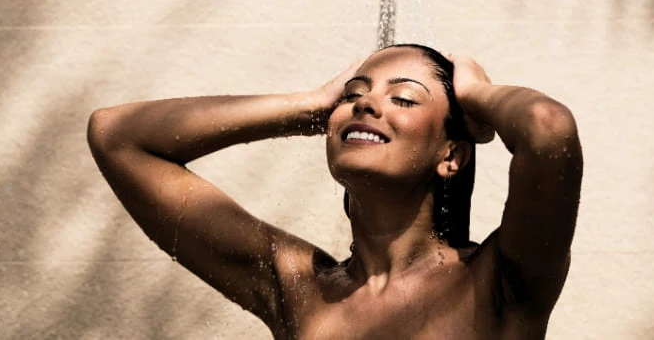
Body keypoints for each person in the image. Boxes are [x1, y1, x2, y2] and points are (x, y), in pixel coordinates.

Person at [87, 44, 583, 339]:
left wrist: (476, 94)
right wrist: (306, 106)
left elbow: (548, 129)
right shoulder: (299, 287)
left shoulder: (500, 284)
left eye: (404, 97)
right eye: (353, 93)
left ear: (451, 155)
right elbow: (117, 137)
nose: (366, 104)